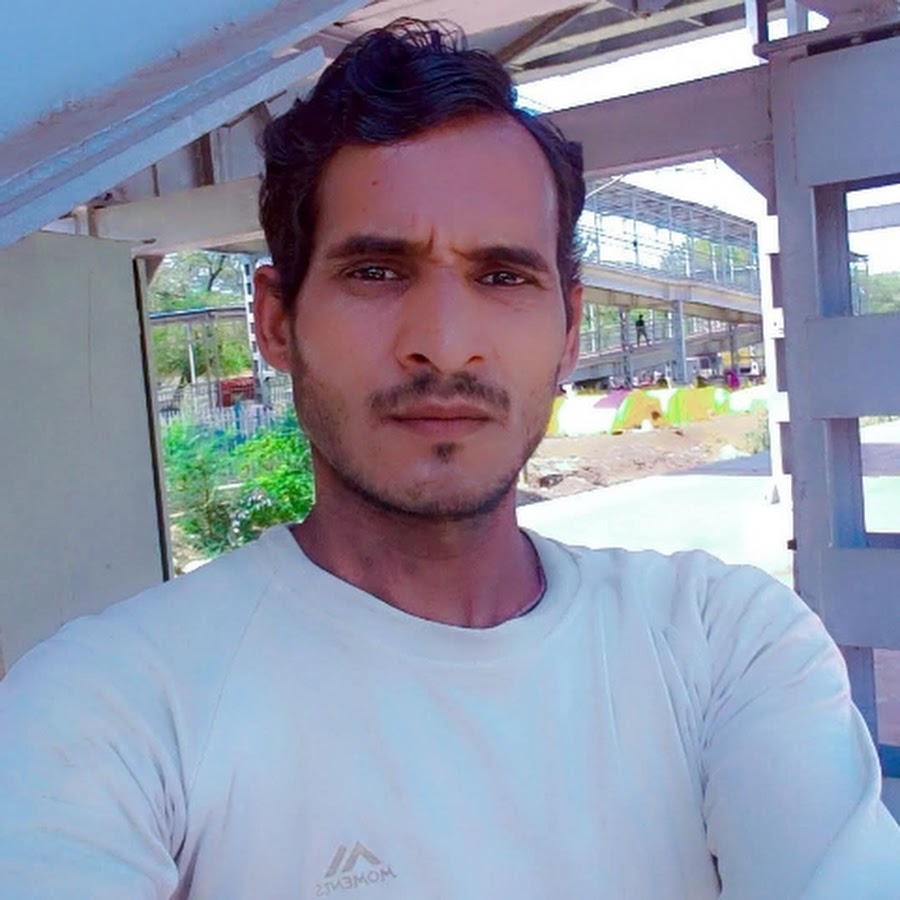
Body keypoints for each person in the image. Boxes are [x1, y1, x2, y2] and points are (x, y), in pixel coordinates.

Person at [1, 18, 898, 899]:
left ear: (569, 331)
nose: (443, 342)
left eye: (503, 277)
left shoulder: (722, 643)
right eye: (376, 272)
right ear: (275, 322)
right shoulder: (109, 711)